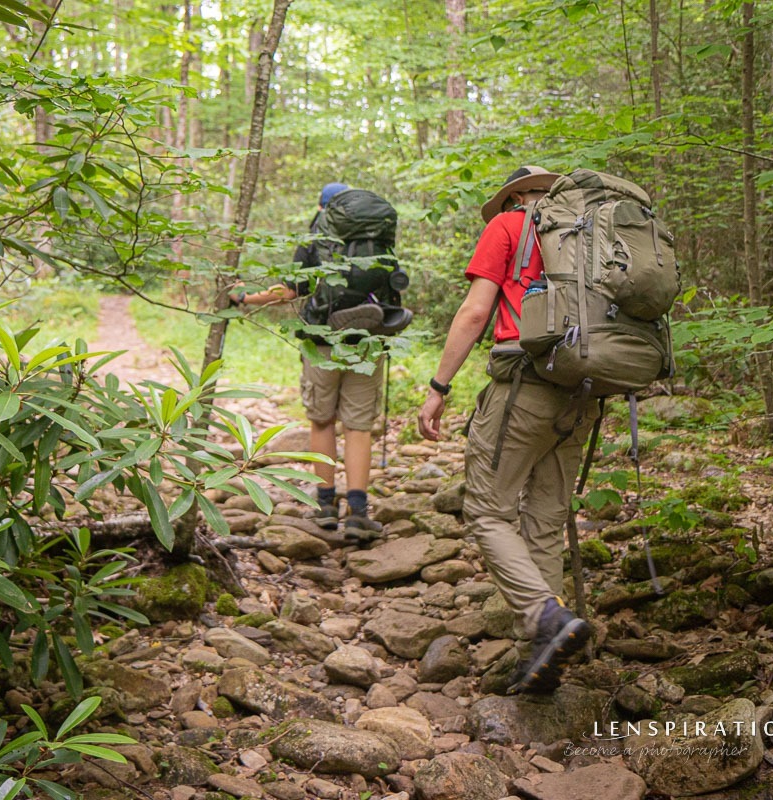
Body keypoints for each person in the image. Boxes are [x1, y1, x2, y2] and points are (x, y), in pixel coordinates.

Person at [416, 166, 597, 693]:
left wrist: (438, 387)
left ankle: (545, 618)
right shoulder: (589, 233)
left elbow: (476, 313)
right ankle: (540, 656)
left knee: (486, 510)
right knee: (544, 521)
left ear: (517, 195)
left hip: (523, 384)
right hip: (584, 390)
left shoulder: (510, 226)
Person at [230, 182, 384, 540]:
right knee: (359, 426)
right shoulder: (376, 239)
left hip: (322, 343)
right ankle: (359, 513)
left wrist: (243, 296)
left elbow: (288, 291)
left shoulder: (316, 237)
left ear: (322, 207)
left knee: (322, 421)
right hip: (368, 342)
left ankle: (326, 505)